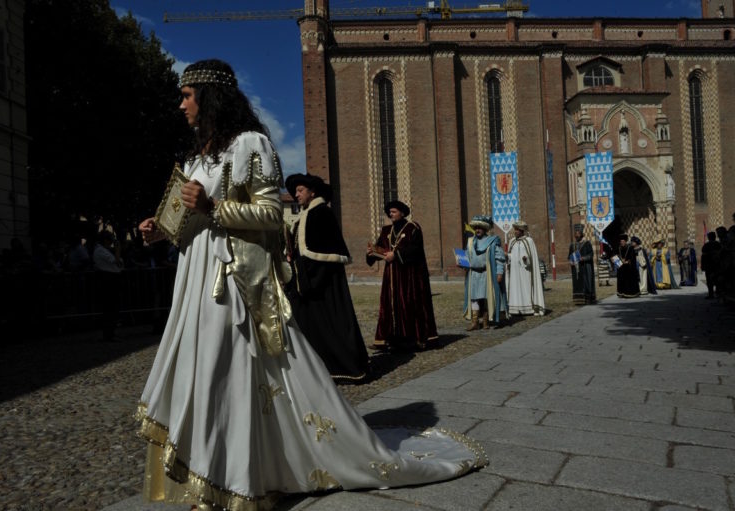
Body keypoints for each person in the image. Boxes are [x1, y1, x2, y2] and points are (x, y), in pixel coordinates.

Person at [136, 60, 483, 511]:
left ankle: (240, 479)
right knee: (201, 371)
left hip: (233, 280)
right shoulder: (198, 157)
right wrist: (159, 230)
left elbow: (268, 216)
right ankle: (211, 475)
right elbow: (186, 222)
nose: (180, 103)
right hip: (196, 276)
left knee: (229, 372)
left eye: (186, 94)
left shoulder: (251, 144)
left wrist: (215, 205)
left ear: (209, 96)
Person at [285, 172, 369, 382]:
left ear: (312, 192)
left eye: (300, 190)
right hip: (307, 280)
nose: (297, 194)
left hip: (323, 282)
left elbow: (325, 251)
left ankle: (341, 366)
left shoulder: (321, 214)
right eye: (295, 191)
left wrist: (307, 276)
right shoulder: (304, 216)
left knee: (330, 324)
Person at [366, 200, 439, 350]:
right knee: (389, 306)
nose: (391, 214)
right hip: (391, 276)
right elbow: (380, 247)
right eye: (390, 212)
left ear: (402, 213)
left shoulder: (413, 227)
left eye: (394, 212)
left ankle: (413, 339)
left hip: (409, 276)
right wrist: (371, 253)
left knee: (409, 304)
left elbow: (416, 249)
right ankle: (388, 339)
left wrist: (397, 255)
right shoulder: (386, 231)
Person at [462, 214, 506, 330]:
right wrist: (462, 262)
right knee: (474, 298)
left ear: (485, 229)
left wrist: (499, 273)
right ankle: (475, 322)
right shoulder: (470, 242)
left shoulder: (492, 241)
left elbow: (500, 258)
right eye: (476, 228)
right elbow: (466, 256)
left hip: (487, 274)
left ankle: (486, 321)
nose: (477, 230)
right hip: (474, 275)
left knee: (486, 298)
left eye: (480, 228)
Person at [506, 220, 546, 316]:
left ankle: (529, 308)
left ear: (522, 230)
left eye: (517, 230)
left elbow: (532, 258)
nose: (515, 231)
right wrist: (507, 257)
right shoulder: (512, 242)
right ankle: (515, 308)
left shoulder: (529, 241)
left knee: (526, 288)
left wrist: (526, 259)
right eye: (514, 229)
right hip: (515, 271)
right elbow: (511, 256)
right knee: (515, 288)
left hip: (526, 271)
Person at [92, 230, 123, 341]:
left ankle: (111, 333)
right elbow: (117, 262)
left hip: (110, 278)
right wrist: (118, 248)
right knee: (109, 308)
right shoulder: (100, 251)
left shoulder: (103, 250)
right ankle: (109, 334)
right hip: (108, 279)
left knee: (112, 308)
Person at [568, 224, 596, 304]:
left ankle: (588, 299)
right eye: (575, 233)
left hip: (585, 267)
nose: (576, 235)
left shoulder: (587, 243)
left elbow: (591, 255)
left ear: (581, 234)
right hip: (576, 268)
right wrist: (570, 261)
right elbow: (570, 256)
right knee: (577, 284)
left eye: (578, 233)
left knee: (586, 282)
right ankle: (578, 300)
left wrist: (582, 258)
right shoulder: (572, 245)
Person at [615, 234, 640, 298]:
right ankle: (621, 293)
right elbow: (616, 256)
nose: (622, 243)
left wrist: (627, 261)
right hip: (621, 267)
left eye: (623, 241)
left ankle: (630, 293)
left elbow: (632, 257)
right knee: (621, 279)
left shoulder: (630, 248)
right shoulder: (618, 248)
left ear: (625, 241)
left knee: (629, 280)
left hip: (629, 268)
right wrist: (617, 260)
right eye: (621, 242)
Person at [700, 231, 722, 299]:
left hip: (709, 265)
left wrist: (703, 266)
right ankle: (717, 293)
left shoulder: (707, 245)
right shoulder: (718, 244)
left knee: (710, 280)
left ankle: (711, 294)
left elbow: (703, 255)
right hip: (716, 265)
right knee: (716, 280)